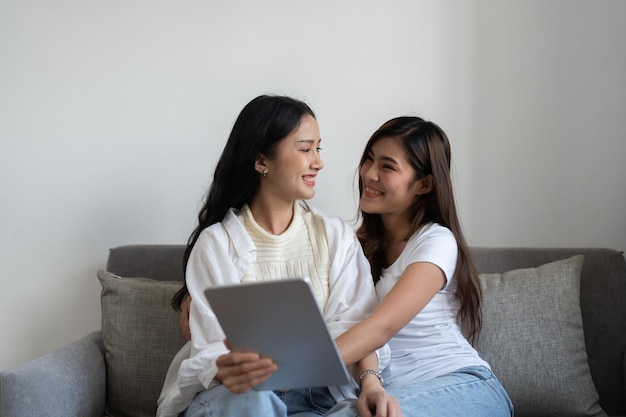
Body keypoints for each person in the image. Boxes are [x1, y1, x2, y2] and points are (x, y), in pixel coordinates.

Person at [156, 95, 402, 417]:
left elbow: (358, 327)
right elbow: (211, 348)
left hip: (318, 400)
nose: (318, 162)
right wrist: (225, 367)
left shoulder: (335, 236)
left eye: (318, 149)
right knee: (256, 402)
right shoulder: (217, 243)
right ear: (262, 161)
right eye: (305, 149)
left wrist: (371, 385)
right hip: (240, 396)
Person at [332, 116, 514, 416]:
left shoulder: (436, 241)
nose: (369, 173)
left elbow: (380, 328)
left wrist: (296, 370)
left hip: (462, 386)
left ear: (424, 184)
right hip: (391, 394)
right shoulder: (353, 244)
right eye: (369, 159)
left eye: (387, 166)